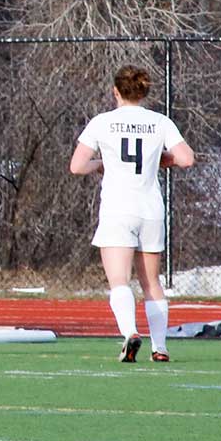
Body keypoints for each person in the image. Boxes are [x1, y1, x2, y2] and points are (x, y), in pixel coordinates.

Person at [70, 65, 195, 363]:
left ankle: (130, 333)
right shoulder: (159, 121)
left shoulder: (102, 122)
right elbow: (186, 159)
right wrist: (160, 160)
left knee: (119, 280)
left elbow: (77, 166)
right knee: (152, 283)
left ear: (116, 91)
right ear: (144, 92)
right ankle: (160, 347)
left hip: (118, 209)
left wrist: (101, 164)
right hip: (150, 210)